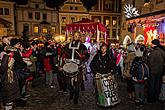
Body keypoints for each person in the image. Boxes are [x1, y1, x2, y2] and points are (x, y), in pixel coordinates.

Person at [63, 31, 89, 104]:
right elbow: (63, 52)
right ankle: (71, 91)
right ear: (73, 36)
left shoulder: (82, 46)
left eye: (78, 35)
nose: (76, 36)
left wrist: (83, 56)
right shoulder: (67, 45)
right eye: (75, 35)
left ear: (79, 37)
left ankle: (76, 98)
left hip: (78, 66)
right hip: (68, 66)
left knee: (77, 84)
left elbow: (87, 55)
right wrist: (63, 56)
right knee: (68, 83)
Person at [147, 39, 165, 103]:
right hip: (160, 70)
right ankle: (156, 96)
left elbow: (150, 62)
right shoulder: (162, 52)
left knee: (152, 85)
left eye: (152, 43)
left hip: (153, 71)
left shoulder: (153, 52)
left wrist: (150, 68)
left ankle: (151, 98)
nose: (151, 44)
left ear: (154, 44)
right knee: (157, 84)